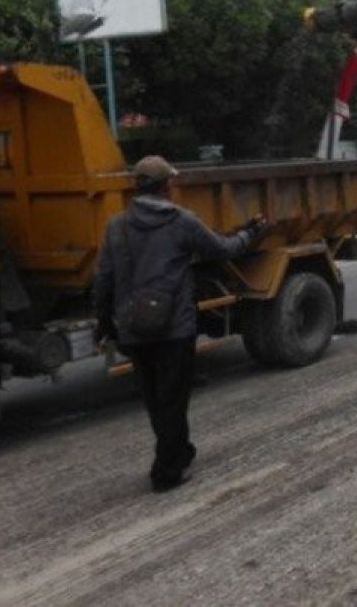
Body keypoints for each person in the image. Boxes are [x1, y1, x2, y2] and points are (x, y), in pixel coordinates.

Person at [94, 156, 265, 492]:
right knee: (173, 398)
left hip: (133, 326)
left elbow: (104, 278)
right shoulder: (181, 222)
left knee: (155, 398)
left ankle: (179, 452)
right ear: (167, 185)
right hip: (174, 326)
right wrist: (252, 233)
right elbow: (222, 249)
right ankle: (167, 471)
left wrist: (103, 321)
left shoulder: (117, 226)